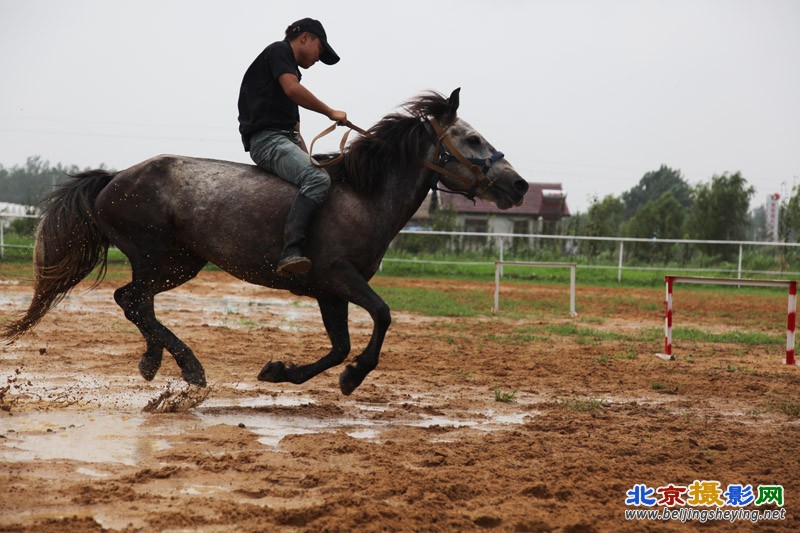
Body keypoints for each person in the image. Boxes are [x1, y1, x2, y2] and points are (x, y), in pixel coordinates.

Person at [238, 18, 347, 275]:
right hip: (267, 140)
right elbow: (292, 90)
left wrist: (303, 151)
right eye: (321, 49)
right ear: (305, 37)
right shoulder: (279, 51)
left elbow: (295, 127)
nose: (319, 59)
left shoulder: (288, 69)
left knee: (322, 173)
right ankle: (291, 251)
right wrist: (330, 112)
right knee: (318, 179)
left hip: (283, 138)